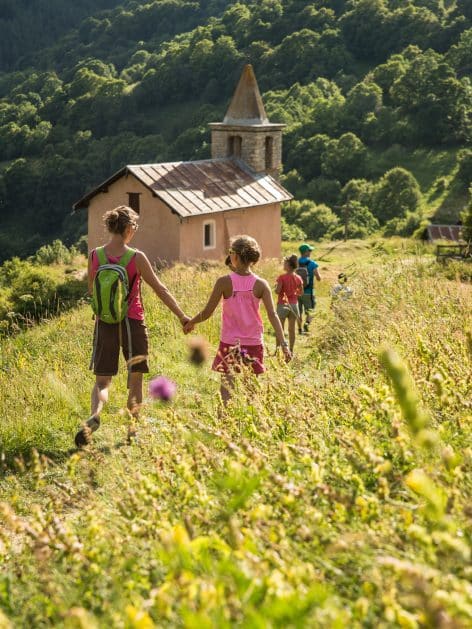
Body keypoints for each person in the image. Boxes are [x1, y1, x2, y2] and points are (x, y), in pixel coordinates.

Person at [75, 205, 191, 447]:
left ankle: (95, 415)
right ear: (128, 228)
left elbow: (91, 290)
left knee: (102, 381)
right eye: (135, 227)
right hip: (133, 322)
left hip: (105, 322)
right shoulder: (136, 257)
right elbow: (160, 289)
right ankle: (131, 433)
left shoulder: (96, 255)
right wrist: (182, 316)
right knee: (135, 380)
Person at [184, 235, 291, 404]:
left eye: (230, 252)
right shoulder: (261, 284)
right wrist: (284, 345)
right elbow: (273, 315)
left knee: (227, 389)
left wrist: (191, 322)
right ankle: (252, 424)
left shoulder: (223, 282)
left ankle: (224, 425)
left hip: (230, 343)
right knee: (252, 390)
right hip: (253, 342)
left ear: (235, 256)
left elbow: (207, 312)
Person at [275, 254, 304, 353]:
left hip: (283, 304)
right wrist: (293, 293)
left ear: (288, 265)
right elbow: (301, 292)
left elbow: (278, 291)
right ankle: (291, 349)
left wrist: (276, 288)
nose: (283, 265)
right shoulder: (298, 277)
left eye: (284, 263)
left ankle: (278, 349)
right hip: (294, 305)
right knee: (292, 329)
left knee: (280, 329)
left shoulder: (282, 277)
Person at [297, 243, 321, 335]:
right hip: (308, 292)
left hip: (297, 292)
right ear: (306, 252)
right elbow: (318, 278)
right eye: (309, 250)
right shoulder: (312, 264)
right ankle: (306, 324)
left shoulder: (295, 263)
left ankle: (299, 329)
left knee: (298, 312)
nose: (310, 252)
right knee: (310, 310)